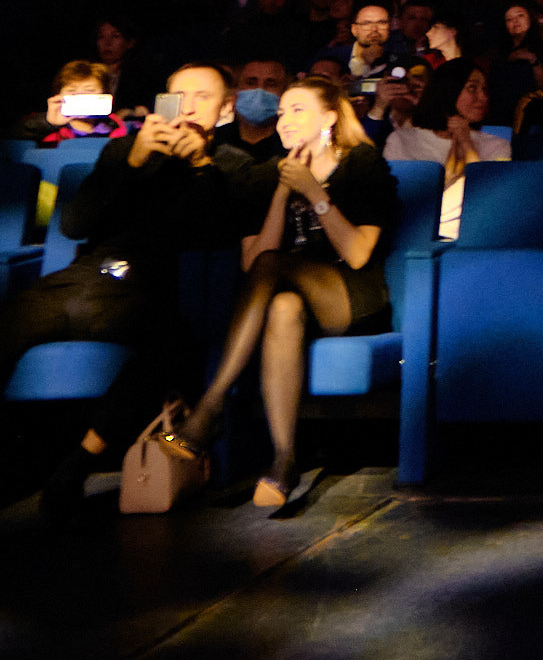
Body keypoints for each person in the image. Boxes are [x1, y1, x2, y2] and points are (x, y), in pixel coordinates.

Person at [0, 65, 240, 520]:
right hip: (84, 277)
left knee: (170, 345)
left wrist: (200, 167)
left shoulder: (230, 164)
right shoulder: (124, 151)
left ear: (225, 109)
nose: (187, 106)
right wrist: (131, 161)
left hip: (144, 288)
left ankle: (76, 467)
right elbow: (75, 224)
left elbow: (219, 233)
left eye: (202, 97)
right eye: (178, 96)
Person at [159, 77, 400, 508]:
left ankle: (210, 407)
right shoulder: (270, 171)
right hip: (290, 287)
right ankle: (283, 462)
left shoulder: (362, 163)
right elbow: (254, 264)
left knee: (277, 271)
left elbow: (360, 254)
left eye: (298, 110)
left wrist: (313, 192)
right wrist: (283, 191)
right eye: (283, 111)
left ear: (329, 118)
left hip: (350, 292)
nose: (285, 120)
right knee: (283, 305)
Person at [382, 59, 511, 240]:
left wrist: (465, 142)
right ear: (448, 91)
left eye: (485, 90)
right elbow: (401, 200)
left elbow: (484, 197)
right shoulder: (403, 140)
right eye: (472, 89)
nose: (483, 97)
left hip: (475, 237)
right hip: (415, 235)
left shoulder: (498, 145)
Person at [216, 57, 293, 164]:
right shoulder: (216, 141)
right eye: (251, 83)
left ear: (285, 91)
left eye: (271, 84)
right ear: (236, 89)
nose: (259, 90)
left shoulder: (291, 147)